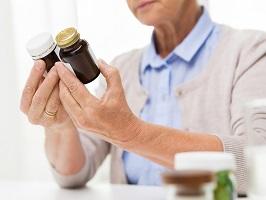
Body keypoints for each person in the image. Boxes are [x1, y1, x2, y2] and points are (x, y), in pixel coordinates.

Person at [20, 0, 266, 195]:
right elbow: (73, 173)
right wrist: (60, 126)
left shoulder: (250, 51)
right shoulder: (122, 68)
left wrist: (131, 133)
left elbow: (255, 165)